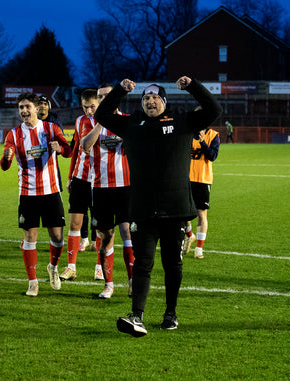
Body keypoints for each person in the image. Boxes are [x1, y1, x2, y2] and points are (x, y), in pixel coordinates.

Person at [95, 76, 221, 336]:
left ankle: (170, 313)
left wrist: (193, 86)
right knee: (143, 263)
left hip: (175, 206)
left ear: (164, 101)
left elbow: (214, 110)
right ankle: (137, 316)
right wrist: (119, 90)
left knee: (172, 264)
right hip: (142, 207)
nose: (150, 101)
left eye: (155, 98)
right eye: (145, 99)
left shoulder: (183, 121)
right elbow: (102, 113)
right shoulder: (132, 124)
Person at [0, 92, 71, 297]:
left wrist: (61, 148)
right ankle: (32, 282)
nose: (24, 111)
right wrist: (6, 158)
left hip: (51, 190)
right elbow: (5, 166)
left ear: (37, 108)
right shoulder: (13, 134)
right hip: (28, 192)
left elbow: (68, 151)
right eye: (21, 107)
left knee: (57, 238)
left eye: (27, 107)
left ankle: (53, 267)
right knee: (29, 237)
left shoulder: (51, 129)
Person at [82, 83, 135, 299]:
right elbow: (85, 146)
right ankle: (109, 285)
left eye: (108, 96)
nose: (104, 100)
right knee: (105, 238)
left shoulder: (128, 120)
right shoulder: (92, 123)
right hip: (102, 188)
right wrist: (100, 122)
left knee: (128, 234)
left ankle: (133, 282)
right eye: (101, 97)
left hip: (126, 186)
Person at [59, 89, 97, 282]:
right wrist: (70, 176)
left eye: (92, 106)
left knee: (100, 226)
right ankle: (71, 267)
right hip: (80, 178)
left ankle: (100, 267)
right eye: (85, 107)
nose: (89, 111)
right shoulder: (80, 121)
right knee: (75, 223)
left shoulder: (108, 122)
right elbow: (75, 150)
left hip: (100, 180)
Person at [182, 111, 220, 259]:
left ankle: (199, 248)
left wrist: (203, 142)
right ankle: (189, 235)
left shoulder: (213, 135)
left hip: (203, 179)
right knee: (183, 213)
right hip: (185, 179)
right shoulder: (187, 133)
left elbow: (212, 156)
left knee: (201, 214)